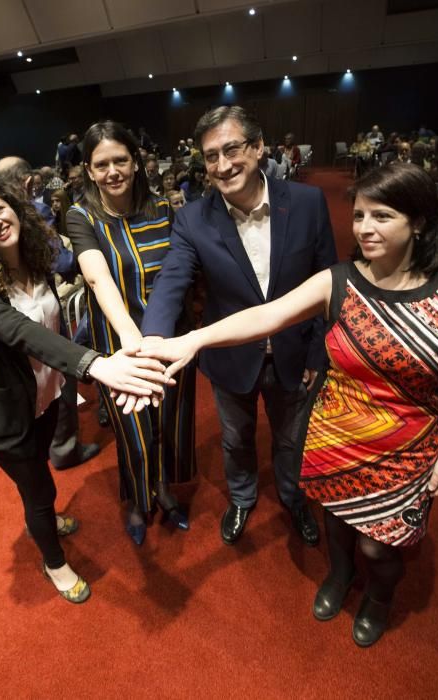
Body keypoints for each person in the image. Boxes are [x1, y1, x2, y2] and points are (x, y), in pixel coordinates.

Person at [143, 162, 438, 647]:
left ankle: (377, 598)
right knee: (335, 522)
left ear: (418, 221)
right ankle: (338, 575)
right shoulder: (340, 280)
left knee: (380, 549)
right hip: (338, 432)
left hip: (409, 443)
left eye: (383, 216)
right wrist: (194, 340)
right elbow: (268, 316)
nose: (365, 228)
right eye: (359, 216)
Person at [0, 169, 170, 603]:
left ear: (14, 206)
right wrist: (94, 365)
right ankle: (54, 562)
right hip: (8, 415)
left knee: (42, 469)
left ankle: (42, 511)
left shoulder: (34, 256)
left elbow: (79, 276)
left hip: (44, 396)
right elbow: (22, 331)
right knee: (39, 492)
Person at [141, 105, 337, 547]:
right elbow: (173, 277)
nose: (223, 164)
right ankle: (243, 498)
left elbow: (329, 281)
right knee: (235, 439)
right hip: (230, 358)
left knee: (291, 439)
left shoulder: (307, 203)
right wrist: (153, 339)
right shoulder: (193, 218)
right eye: (211, 156)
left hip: (295, 353)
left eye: (232, 149)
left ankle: (292, 498)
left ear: (259, 146)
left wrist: (316, 354)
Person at [66, 120, 196, 546]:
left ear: (136, 162)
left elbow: (180, 275)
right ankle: (139, 501)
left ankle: (163, 490)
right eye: (101, 164)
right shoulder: (81, 215)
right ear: (88, 170)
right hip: (121, 347)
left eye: (121, 160)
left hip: (170, 339)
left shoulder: (163, 209)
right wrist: (131, 340)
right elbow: (99, 280)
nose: (112, 171)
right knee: (135, 432)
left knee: (171, 421)